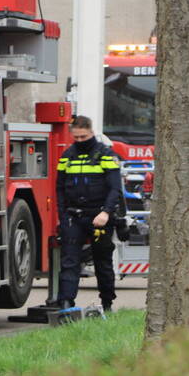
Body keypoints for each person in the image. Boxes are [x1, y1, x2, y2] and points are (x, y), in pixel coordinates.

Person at [55, 115, 122, 312]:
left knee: (103, 262)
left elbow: (115, 188)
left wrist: (106, 213)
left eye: (83, 137)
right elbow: (59, 189)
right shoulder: (67, 156)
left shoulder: (105, 155)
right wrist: (62, 216)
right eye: (76, 138)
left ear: (91, 132)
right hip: (73, 216)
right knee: (69, 261)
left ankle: (107, 303)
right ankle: (66, 305)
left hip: (99, 216)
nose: (80, 141)